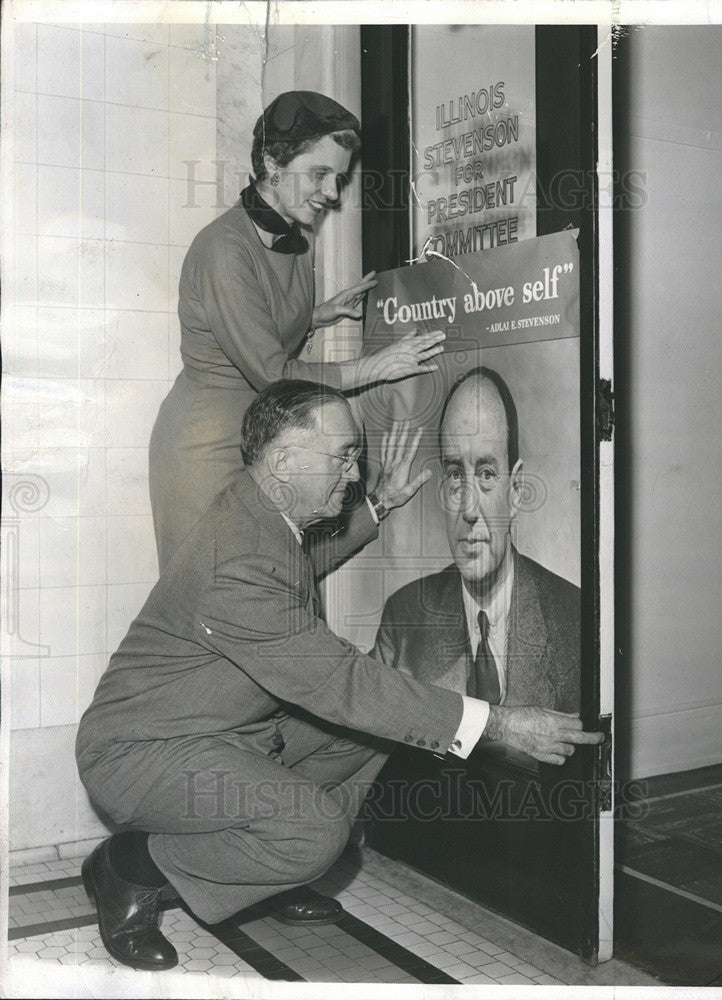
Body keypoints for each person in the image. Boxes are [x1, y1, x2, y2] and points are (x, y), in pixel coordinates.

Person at [76, 379, 601, 971]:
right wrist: (498, 723)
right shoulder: (241, 563)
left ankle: (265, 876)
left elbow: (292, 568)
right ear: (283, 460)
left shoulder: (257, 511)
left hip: (219, 730)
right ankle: (129, 868)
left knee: (377, 731)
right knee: (315, 832)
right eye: (344, 457)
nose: (355, 475)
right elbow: (340, 682)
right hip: (141, 752)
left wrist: (377, 510)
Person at [149, 90, 445, 569]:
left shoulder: (300, 235)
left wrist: (317, 314)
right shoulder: (222, 248)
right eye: (320, 174)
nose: (332, 193)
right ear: (272, 164)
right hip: (206, 447)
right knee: (213, 592)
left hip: (263, 437)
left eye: (340, 178)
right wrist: (374, 367)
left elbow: (256, 318)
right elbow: (274, 374)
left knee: (271, 578)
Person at [373, 366, 580, 712]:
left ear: (515, 491)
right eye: (455, 475)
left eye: (486, 474)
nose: (468, 509)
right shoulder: (403, 621)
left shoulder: (575, 620)